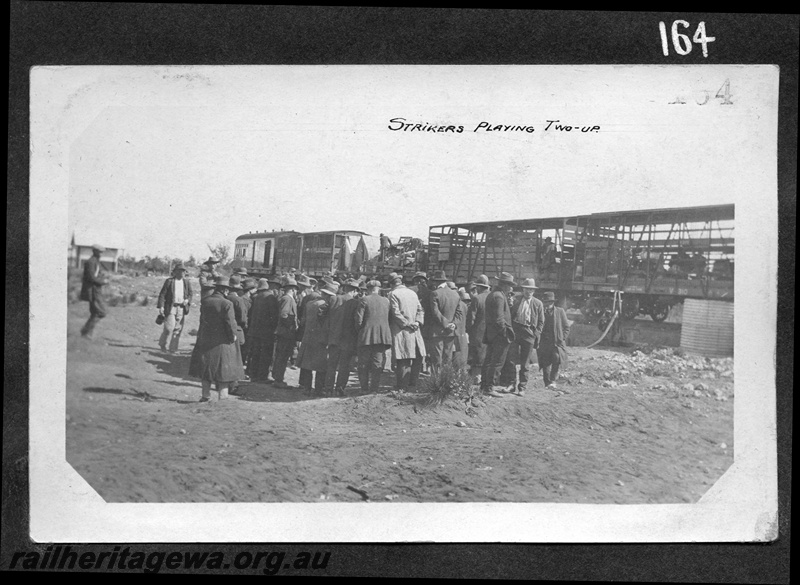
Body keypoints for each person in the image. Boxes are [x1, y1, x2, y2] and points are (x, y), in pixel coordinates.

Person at [188, 276, 245, 402]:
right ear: (225, 290)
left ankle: (205, 395)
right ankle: (222, 398)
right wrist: (233, 336)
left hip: (206, 340)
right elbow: (230, 323)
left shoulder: (206, 301)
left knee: (206, 369)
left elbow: (202, 321)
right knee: (224, 371)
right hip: (222, 342)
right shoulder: (227, 304)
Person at [499, 278, 544, 396]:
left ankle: (522, 387)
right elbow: (508, 314)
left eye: (531, 290)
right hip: (515, 331)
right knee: (511, 360)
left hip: (529, 332)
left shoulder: (538, 304)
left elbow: (541, 322)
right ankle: (511, 384)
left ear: (534, 291)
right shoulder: (516, 300)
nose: (529, 292)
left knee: (525, 362)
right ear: (523, 289)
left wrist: (535, 333)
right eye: (527, 289)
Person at [387, 273, 426, 392]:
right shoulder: (412, 293)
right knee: (417, 358)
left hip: (402, 330)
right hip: (415, 329)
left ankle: (401, 386)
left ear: (391, 284)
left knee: (403, 358)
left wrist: (407, 323)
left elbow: (395, 313)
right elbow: (420, 310)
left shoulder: (393, 294)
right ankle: (413, 384)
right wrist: (417, 322)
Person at [481, 272, 516, 397]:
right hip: (499, 336)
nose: (511, 288)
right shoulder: (499, 297)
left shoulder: (494, 295)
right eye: (510, 285)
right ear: (504, 285)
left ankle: (484, 385)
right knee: (497, 362)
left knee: (489, 360)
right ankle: (489, 387)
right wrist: (505, 334)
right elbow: (499, 319)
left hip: (492, 334)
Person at [323, 278, 359, 396]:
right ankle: (340, 389)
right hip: (348, 340)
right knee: (345, 366)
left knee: (331, 364)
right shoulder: (355, 303)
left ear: (344, 288)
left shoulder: (334, 299)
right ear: (354, 291)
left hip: (333, 337)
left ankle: (328, 389)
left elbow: (323, 315)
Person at [297, 281, 334, 395]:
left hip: (308, 337)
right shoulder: (327, 306)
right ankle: (318, 389)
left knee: (307, 364)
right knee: (321, 366)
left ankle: (307, 388)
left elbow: (303, 321)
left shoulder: (309, 304)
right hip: (321, 339)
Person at [355, 280, 392, 393]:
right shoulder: (386, 301)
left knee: (363, 363)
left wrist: (359, 331)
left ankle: (364, 388)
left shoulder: (364, 300)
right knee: (377, 363)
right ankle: (374, 389)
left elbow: (358, 320)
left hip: (366, 336)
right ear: (378, 289)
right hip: (381, 336)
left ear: (368, 289)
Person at [427, 270, 463, 374]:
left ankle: (436, 379)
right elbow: (459, 313)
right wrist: (453, 324)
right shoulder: (455, 294)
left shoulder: (435, 293)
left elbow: (435, 312)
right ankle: (446, 379)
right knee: (447, 357)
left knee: (437, 358)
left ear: (435, 281)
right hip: (450, 332)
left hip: (437, 331)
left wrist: (446, 324)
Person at [246, 278, 279, 382]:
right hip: (266, 332)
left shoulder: (256, 297)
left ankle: (253, 375)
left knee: (256, 353)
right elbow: (274, 315)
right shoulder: (270, 298)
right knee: (266, 354)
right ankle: (262, 376)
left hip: (255, 330)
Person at [156, 262, 193, 353]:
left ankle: (173, 349)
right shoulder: (169, 281)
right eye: (180, 271)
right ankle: (162, 344)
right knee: (169, 328)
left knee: (177, 330)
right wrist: (161, 306)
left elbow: (190, 294)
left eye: (183, 271)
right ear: (175, 272)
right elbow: (162, 294)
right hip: (171, 307)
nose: (182, 273)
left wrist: (187, 300)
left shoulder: (186, 282)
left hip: (181, 308)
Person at [537, 291, 571, 389]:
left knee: (556, 358)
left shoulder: (560, 311)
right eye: (546, 302)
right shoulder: (541, 312)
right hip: (544, 342)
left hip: (556, 342)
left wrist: (562, 338)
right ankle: (547, 383)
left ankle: (552, 380)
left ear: (553, 302)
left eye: (550, 302)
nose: (548, 304)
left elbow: (566, 327)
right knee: (545, 362)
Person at [272, 276, 299, 389]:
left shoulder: (286, 298)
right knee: (282, 357)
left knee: (282, 356)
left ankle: (277, 378)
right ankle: (278, 380)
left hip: (285, 332)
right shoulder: (288, 299)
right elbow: (284, 315)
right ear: (293, 289)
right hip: (286, 333)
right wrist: (292, 326)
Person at [79, 244, 110, 340]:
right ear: (95, 251)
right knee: (101, 312)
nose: (101, 254)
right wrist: (103, 281)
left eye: (102, 252)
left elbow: (96, 275)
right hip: (93, 291)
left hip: (96, 290)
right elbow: (91, 277)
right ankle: (85, 331)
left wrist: (102, 276)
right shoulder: (91, 262)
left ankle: (87, 334)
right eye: (100, 252)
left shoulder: (95, 261)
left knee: (95, 313)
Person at [466, 275, 490, 383]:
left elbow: (471, 318)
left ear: (479, 287)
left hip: (478, 333)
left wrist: (468, 330)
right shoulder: (493, 297)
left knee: (477, 356)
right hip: (490, 333)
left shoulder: (477, 299)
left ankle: (476, 377)